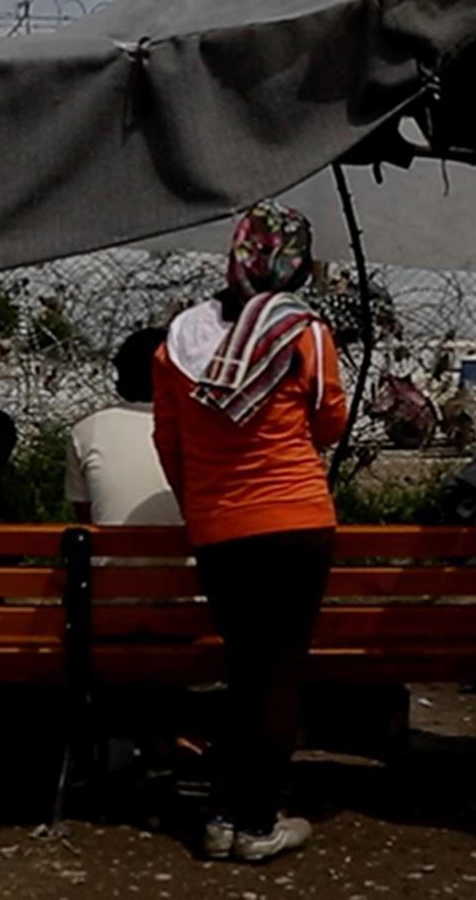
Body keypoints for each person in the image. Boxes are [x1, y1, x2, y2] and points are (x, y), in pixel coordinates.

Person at [152, 202, 346, 864]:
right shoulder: (303, 333)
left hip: (218, 528)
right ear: (297, 264)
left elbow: (169, 442)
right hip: (296, 522)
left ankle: (220, 815)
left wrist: (202, 504)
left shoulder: (178, 340)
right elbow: (330, 423)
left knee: (241, 668)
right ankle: (259, 822)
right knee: (278, 672)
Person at [66, 327, 183, 525]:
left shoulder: (88, 429)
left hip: (111, 546)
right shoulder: (200, 429)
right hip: (191, 546)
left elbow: (86, 519)